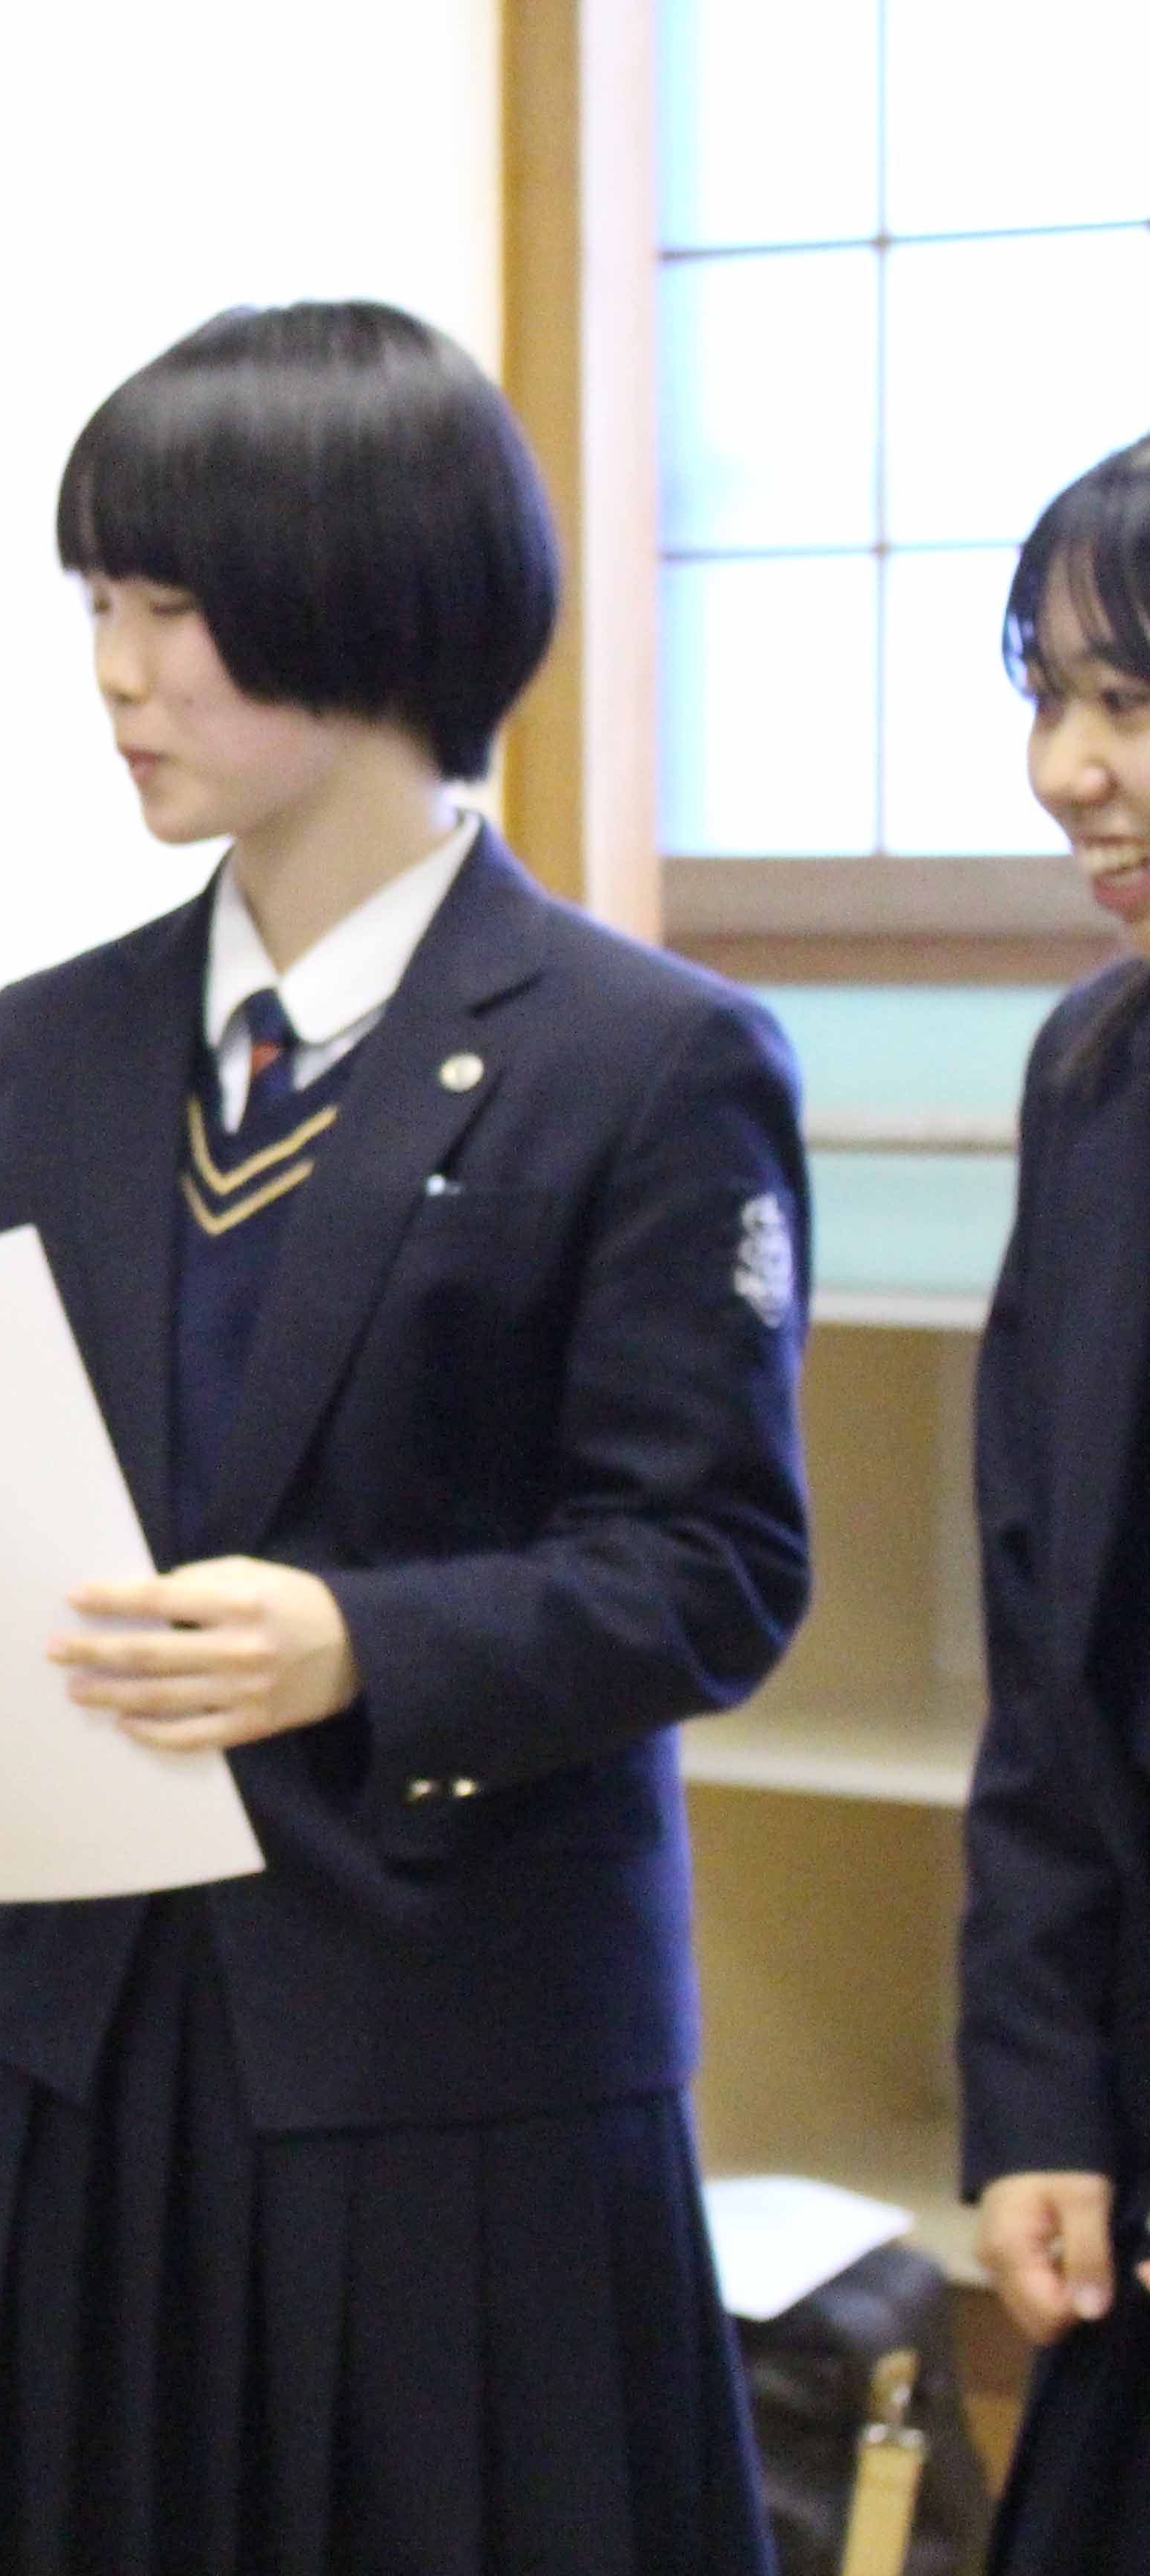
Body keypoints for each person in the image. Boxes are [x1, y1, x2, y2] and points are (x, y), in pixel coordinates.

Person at [0, 303, 811, 2574]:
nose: (115, 674)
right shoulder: (54, 1046)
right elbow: (27, 1496)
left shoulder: (647, 1058)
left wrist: (357, 1646)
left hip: (462, 2077)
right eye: (97, 608)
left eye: (170, 608)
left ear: (369, 604)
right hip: (97, 2046)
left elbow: (714, 1569)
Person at [962, 431, 1150, 2576]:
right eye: (1049, 700)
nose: (1067, 772)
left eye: (1129, 702)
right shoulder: (1090, 1079)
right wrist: (1035, 2100)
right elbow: (1043, 1666)